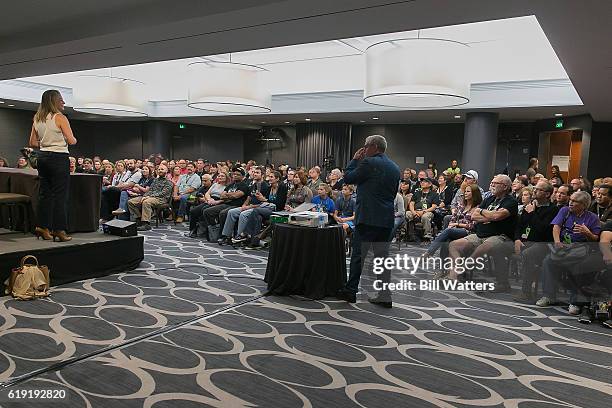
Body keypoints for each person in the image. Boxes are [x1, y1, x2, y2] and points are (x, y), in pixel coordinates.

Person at [336, 135, 400, 308]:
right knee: (382, 258)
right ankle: (385, 296)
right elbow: (393, 194)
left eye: (365, 146)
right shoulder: (395, 167)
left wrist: (355, 160)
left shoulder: (368, 163)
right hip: (386, 218)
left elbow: (348, 178)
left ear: (374, 146)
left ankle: (350, 292)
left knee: (358, 256)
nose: (364, 149)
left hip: (367, 218)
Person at [447, 174, 518, 292]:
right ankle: (453, 278)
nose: (492, 185)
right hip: (480, 234)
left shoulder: (511, 202)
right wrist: (489, 216)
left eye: (496, 183)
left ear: (505, 187)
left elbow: (497, 216)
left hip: (500, 236)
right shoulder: (489, 199)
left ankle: (464, 267)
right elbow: (474, 215)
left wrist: (484, 213)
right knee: (453, 245)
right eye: (492, 182)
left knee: (485, 246)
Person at [536, 191, 601, 313]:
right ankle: (548, 296)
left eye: (575, 201)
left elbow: (596, 239)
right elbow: (556, 226)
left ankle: (575, 302)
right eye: (570, 199)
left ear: (584, 205)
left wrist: (587, 233)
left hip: (580, 248)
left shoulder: (592, 218)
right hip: (563, 246)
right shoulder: (565, 211)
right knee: (548, 261)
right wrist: (557, 241)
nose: (571, 202)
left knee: (578, 267)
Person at [29, 90, 77, 242]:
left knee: (45, 194)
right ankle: (59, 230)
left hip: (42, 158)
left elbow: (32, 143)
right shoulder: (60, 118)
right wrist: (64, 138)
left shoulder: (37, 118)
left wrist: (47, 141)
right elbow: (72, 141)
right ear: (54, 101)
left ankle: (42, 227)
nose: (63, 102)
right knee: (60, 196)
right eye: (61, 100)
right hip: (58, 158)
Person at [512, 180, 559, 302]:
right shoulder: (530, 206)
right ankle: (502, 282)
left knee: (528, 253)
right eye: (535, 188)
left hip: (543, 243)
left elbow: (542, 230)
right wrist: (517, 239)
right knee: (501, 247)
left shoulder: (553, 210)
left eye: (539, 189)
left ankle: (525, 291)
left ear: (547, 194)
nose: (535, 191)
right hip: (525, 240)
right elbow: (519, 226)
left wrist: (532, 213)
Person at [424, 184, 482, 270]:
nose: (465, 193)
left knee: (448, 231)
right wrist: (452, 224)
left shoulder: (478, 208)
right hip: (455, 230)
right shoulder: (461, 206)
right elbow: (453, 218)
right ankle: (443, 269)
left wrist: (457, 225)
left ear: (474, 194)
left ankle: (429, 252)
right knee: (446, 242)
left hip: (468, 232)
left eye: (468, 191)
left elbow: (473, 226)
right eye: (465, 191)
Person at [218, 166, 269, 245]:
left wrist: (249, 207)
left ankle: (239, 237)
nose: (254, 174)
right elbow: (249, 197)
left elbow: (265, 203)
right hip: (249, 206)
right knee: (231, 212)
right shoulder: (254, 185)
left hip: (258, 207)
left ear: (263, 175)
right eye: (254, 172)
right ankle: (226, 236)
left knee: (242, 214)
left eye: (257, 173)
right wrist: (244, 205)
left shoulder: (265, 186)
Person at [242, 171, 289, 249]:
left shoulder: (282, 187)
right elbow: (264, 200)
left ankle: (246, 232)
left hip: (277, 210)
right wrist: (261, 197)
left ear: (277, 179)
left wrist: (265, 199)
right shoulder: (269, 188)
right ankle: (254, 242)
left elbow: (280, 204)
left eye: (271, 177)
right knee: (258, 217)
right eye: (269, 177)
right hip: (267, 208)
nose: (269, 178)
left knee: (256, 210)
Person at [128, 164, 174, 231]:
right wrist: (145, 196)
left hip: (161, 199)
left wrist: (148, 197)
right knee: (131, 202)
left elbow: (163, 193)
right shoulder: (155, 180)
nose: (160, 170)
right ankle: (139, 219)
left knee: (146, 202)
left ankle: (146, 224)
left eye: (162, 169)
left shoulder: (169, 182)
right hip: (150, 197)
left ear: (166, 171)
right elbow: (150, 190)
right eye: (159, 169)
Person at [188, 172, 227, 237]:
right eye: (202, 180)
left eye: (205, 180)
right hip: (208, 200)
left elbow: (225, 197)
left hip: (218, 201)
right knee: (192, 209)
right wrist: (208, 199)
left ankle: (207, 231)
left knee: (204, 210)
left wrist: (213, 201)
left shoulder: (227, 186)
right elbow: (205, 194)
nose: (203, 182)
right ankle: (193, 230)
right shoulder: (213, 185)